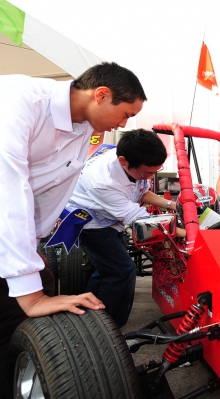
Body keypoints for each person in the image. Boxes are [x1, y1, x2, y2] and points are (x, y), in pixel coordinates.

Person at [0, 61, 146, 397]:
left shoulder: (83, 128)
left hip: (14, 237)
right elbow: (9, 190)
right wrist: (30, 292)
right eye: (125, 114)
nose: (124, 124)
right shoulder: (22, 102)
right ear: (101, 95)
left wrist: (32, 248)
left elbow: (50, 191)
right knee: (22, 309)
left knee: (31, 314)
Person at [64, 129, 181, 328]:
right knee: (122, 270)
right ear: (123, 161)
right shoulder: (103, 181)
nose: (151, 176)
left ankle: (88, 319)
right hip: (92, 224)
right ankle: (110, 330)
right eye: (148, 173)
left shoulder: (132, 159)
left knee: (106, 269)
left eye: (156, 170)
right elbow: (139, 219)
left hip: (110, 219)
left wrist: (172, 205)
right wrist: (191, 233)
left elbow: (141, 192)